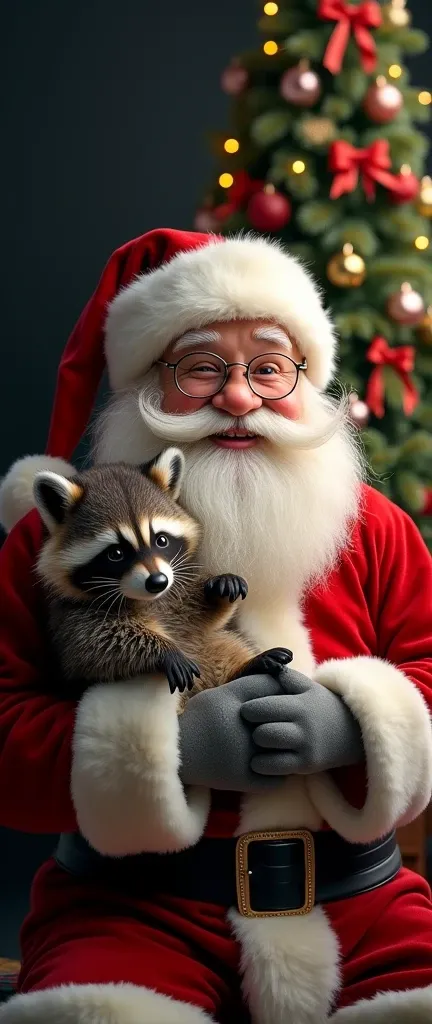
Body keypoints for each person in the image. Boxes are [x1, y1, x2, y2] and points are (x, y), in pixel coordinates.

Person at [0, 227, 431, 1024]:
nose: (238, 398)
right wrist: (169, 750)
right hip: (131, 903)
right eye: (200, 368)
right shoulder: (53, 544)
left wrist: (355, 727)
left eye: (268, 367)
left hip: (365, 905)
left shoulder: (378, 530)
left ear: (307, 381)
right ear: (143, 388)